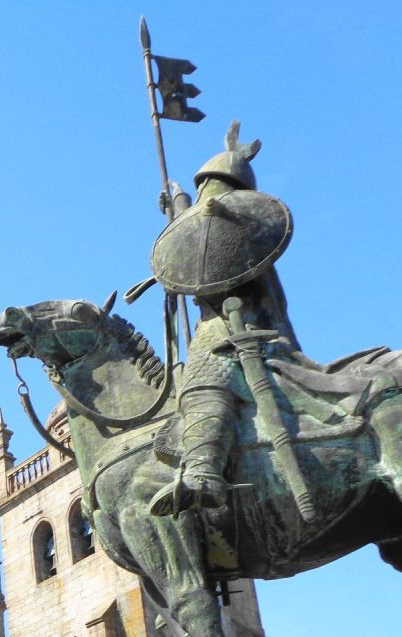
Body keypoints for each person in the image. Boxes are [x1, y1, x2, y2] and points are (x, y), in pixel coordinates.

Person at [149, 122, 302, 516]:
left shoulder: (241, 229)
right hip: (224, 329)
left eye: (206, 189)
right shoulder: (228, 225)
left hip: (241, 332)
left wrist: (183, 214)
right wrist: (179, 206)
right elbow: (200, 245)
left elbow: (208, 254)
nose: (205, 198)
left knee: (202, 381)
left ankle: (202, 473)